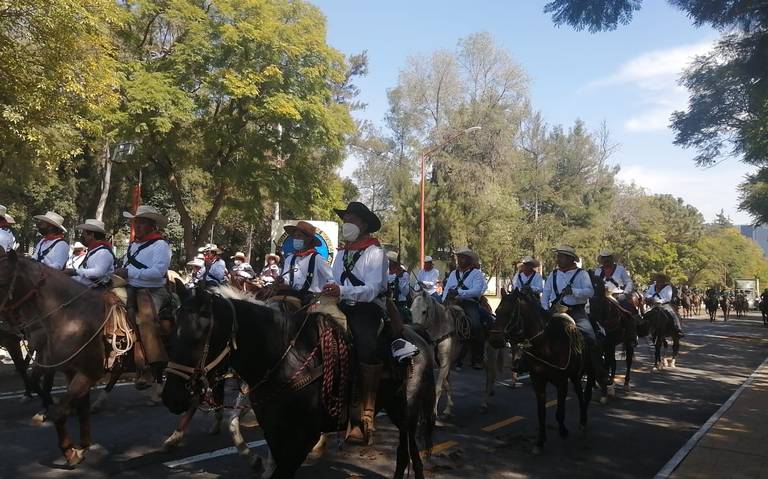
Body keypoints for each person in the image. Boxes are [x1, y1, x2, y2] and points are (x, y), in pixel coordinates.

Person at [322, 201, 416, 445]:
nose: (347, 224)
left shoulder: (375, 252)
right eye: (345, 219)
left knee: (366, 345)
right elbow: (334, 279)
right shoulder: (342, 252)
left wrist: (342, 291)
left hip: (366, 307)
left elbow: (374, 289)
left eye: (351, 219)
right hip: (339, 302)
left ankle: (365, 412)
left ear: (363, 224)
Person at [114, 205, 172, 391]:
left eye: (141, 223)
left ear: (151, 225)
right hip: (129, 287)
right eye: (135, 222)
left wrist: (129, 272)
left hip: (152, 291)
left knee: (145, 321)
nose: (137, 226)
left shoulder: (160, 245)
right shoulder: (133, 245)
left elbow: (158, 272)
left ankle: (152, 366)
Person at [541, 245, 607, 385]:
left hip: (576, 310)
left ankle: (599, 372)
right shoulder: (553, 274)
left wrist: (574, 292)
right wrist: (545, 308)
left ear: (570, 259)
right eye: (558, 256)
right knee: (537, 334)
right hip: (556, 310)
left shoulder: (581, 274)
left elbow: (590, 292)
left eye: (561, 256)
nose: (558, 259)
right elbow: (546, 293)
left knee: (591, 338)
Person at [443, 247, 488, 370]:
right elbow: (446, 289)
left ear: (469, 260)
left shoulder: (476, 274)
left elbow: (476, 291)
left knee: (475, 325)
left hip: (468, 303)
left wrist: (459, 292)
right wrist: (443, 301)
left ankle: (477, 358)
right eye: (459, 257)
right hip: (451, 302)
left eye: (463, 257)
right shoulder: (453, 273)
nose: (460, 260)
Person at [281, 221, 332, 301]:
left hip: (311, 300)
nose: (296, 239)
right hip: (292, 297)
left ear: (308, 239)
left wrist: (322, 294)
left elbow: (332, 279)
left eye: (299, 236)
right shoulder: (289, 258)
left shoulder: (317, 258)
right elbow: (286, 279)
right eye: (294, 236)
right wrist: (282, 282)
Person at [66, 219, 114, 288]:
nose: (82, 236)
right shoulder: (93, 250)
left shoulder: (104, 252)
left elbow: (98, 272)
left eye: (84, 234)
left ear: (91, 235)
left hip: (97, 293)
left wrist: (75, 271)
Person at [387, 252, 411, 322]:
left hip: (400, 304)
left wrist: (400, 278)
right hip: (387, 303)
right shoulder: (384, 272)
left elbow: (405, 292)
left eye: (389, 263)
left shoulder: (404, 274)